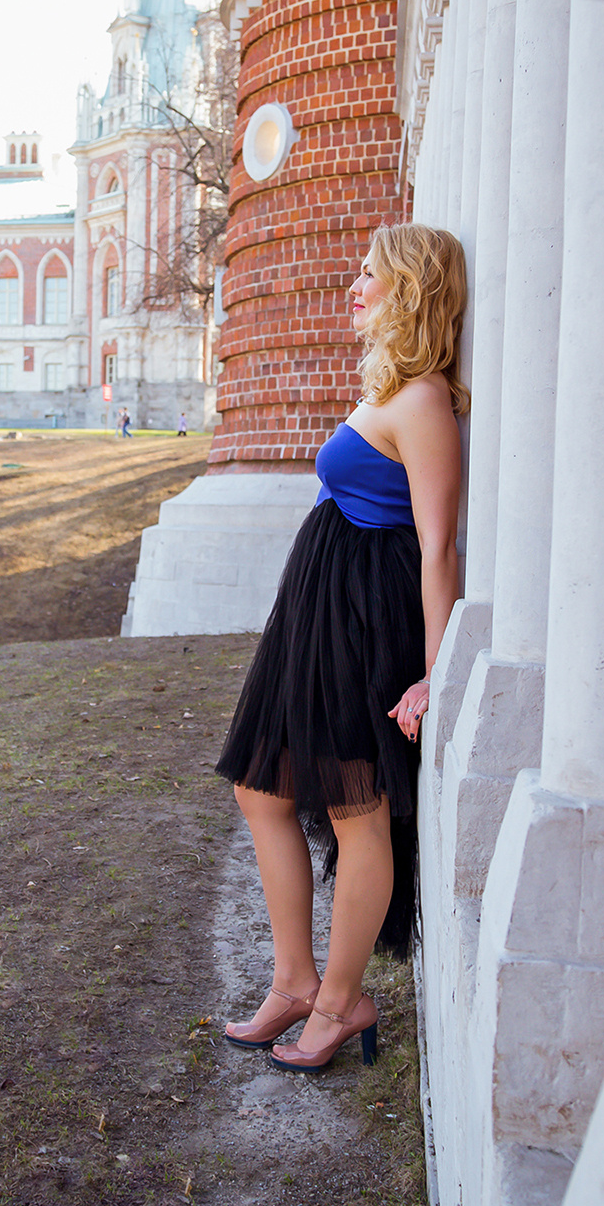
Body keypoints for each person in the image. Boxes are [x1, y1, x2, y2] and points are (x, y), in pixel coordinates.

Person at [214, 224, 466, 1074]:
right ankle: (294, 977)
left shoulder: (425, 398)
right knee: (262, 788)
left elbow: (438, 548)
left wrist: (438, 671)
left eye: (371, 275)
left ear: (412, 290)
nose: (354, 286)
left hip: (366, 623)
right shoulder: (392, 384)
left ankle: (340, 1001)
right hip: (321, 612)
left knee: (359, 810)